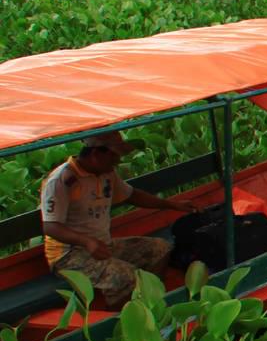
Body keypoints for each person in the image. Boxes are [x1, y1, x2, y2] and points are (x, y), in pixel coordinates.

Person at [39, 131, 199, 308]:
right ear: (96, 154)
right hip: (69, 255)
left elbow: (132, 195)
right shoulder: (62, 180)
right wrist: (87, 242)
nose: (118, 161)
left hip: (103, 244)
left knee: (160, 248)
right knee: (126, 277)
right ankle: (122, 321)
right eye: (114, 156)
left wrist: (172, 204)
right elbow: (51, 227)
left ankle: (152, 303)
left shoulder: (107, 173)